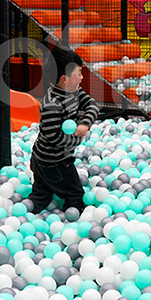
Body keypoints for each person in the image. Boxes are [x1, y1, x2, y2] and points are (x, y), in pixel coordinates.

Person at [29, 47, 99, 213]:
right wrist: (77, 139)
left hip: (43, 158)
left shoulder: (75, 91)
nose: (82, 77)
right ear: (65, 79)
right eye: (79, 73)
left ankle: (27, 211)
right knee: (75, 193)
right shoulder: (52, 104)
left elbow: (92, 105)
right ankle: (73, 220)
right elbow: (53, 137)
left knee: (42, 194)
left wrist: (85, 124)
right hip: (52, 161)